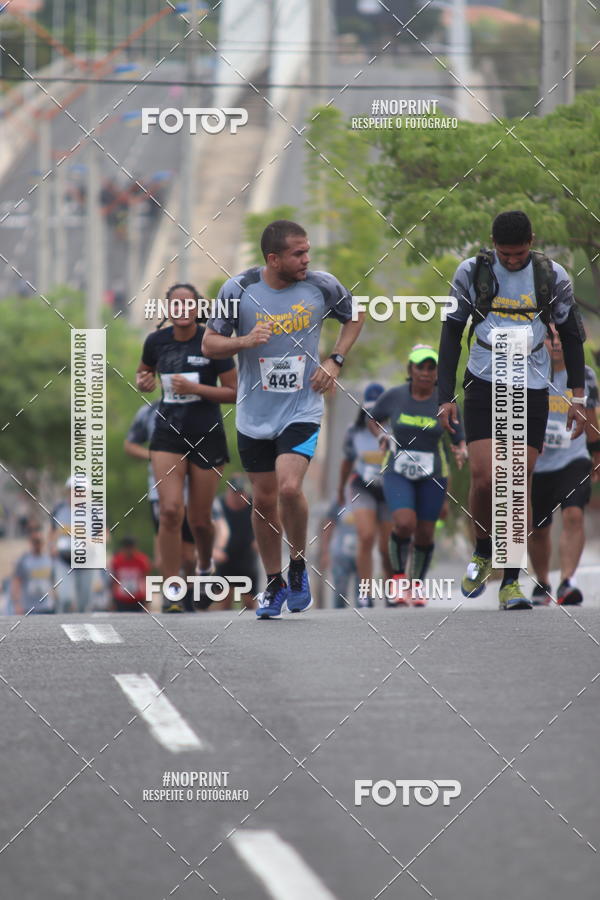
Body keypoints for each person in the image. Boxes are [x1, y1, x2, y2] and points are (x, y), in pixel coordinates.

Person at [202, 219, 365, 619]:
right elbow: (209, 343)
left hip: (302, 407)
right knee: (264, 501)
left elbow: (356, 315)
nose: (306, 259)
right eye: (298, 254)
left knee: (290, 488)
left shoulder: (322, 286)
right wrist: (243, 340)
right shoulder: (237, 289)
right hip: (254, 413)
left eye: (307, 251)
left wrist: (335, 359)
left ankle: (297, 565)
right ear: (273, 259)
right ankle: (273, 583)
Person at [437, 210, 588, 610]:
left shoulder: (551, 276)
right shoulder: (472, 272)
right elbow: (451, 332)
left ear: (531, 243)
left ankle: (510, 580)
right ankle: (483, 549)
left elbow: (571, 335)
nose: (512, 261)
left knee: (516, 480)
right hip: (484, 380)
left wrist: (579, 395)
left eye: (519, 254)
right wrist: (444, 394)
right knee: (487, 479)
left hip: (532, 383)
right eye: (505, 254)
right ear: (493, 244)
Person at [135, 283, 237, 613]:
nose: (181, 309)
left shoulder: (212, 342)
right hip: (168, 433)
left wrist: (195, 387)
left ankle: (204, 566)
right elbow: (145, 372)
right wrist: (143, 381)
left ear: (197, 309)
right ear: (167, 309)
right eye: (175, 304)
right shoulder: (155, 341)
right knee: (168, 512)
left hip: (206, 433)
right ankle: (173, 591)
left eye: (188, 304)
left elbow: (234, 392)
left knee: (200, 521)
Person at [371, 345, 467, 606]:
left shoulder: (444, 403)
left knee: (425, 533)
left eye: (431, 368)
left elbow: (459, 437)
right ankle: (398, 579)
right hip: (397, 471)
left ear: (437, 373)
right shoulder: (395, 396)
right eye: (419, 367)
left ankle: (415, 585)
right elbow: (374, 417)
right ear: (410, 370)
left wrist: (461, 451)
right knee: (404, 523)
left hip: (433, 474)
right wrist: (381, 435)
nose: (425, 373)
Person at [529, 328, 600, 605]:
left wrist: (596, 454)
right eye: (550, 337)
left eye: (561, 337)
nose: (556, 343)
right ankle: (543, 581)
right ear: (540, 341)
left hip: (574, 457)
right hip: (537, 462)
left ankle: (567, 582)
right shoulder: (529, 371)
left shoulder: (583, 374)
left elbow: (591, 416)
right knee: (539, 527)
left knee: (573, 515)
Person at [124, 400, 197, 608]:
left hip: (191, 487)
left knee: (189, 555)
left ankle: (189, 589)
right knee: (164, 550)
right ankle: (172, 594)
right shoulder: (148, 410)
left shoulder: (195, 408)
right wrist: (154, 456)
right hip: (160, 487)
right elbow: (130, 444)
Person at [338, 382, 391, 607]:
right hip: (362, 487)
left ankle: (393, 591)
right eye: (371, 411)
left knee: (387, 546)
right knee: (366, 535)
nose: (375, 417)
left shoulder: (396, 427)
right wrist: (340, 489)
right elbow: (347, 462)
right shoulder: (354, 431)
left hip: (390, 490)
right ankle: (366, 593)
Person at [212, 475, 259, 610]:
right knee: (224, 600)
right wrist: (214, 550)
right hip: (224, 556)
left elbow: (265, 524)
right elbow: (210, 528)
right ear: (228, 492)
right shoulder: (218, 505)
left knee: (250, 602)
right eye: (235, 493)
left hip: (246, 556)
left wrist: (258, 542)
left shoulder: (253, 504)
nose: (238, 496)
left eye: (241, 493)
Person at [50, 478, 97, 613]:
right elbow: (52, 532)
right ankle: (61, 626)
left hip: (87, 560)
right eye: (73, 490)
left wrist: (92, 542)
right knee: (65, 598)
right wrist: (52, 546)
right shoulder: (59, 509)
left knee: (84, 603)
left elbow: (104, 534)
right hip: (64, 559)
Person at [320, 497, 360, 608]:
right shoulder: (339, 501)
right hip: (340, 554)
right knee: (340, 592)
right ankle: (339, 616)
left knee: (362, 592)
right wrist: (325, 552)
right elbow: (328, 526)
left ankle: (365, 615)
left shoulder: (367, 499)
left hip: (362, 554)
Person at [12, 522, 56, 615]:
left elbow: (54, 581)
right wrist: (17, 604)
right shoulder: (24, 560)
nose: (37, 544)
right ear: (30, 542)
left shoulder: (50, 559)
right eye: (35, 541)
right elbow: (16, 582)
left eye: (39, 541)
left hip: (47, 607)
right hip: (28, 608)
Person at [110, 536, 153, 611]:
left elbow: (147, 580)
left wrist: (147, 602)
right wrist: (111, 601)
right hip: (121, 600)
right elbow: (113, 581)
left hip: (138, 599)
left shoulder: (142, 560)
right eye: (126, 547)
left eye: (130, 547)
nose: (128, 550)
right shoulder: (116, 560)